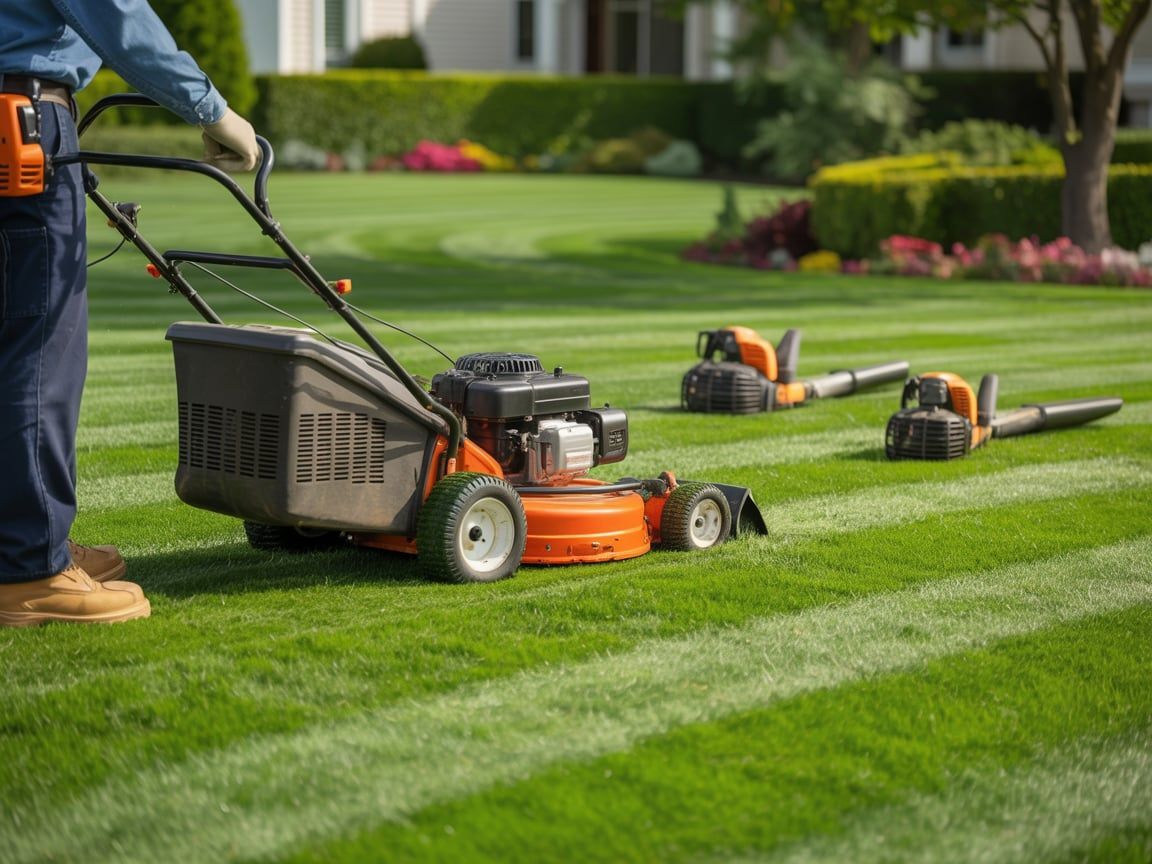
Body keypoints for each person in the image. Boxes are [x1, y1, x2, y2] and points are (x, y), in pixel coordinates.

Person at [0, 0, 260, 626]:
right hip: (23, 120)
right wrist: (213, 110)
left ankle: (24, 537)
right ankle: (28, 568)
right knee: (38, 349)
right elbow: (113, 11)